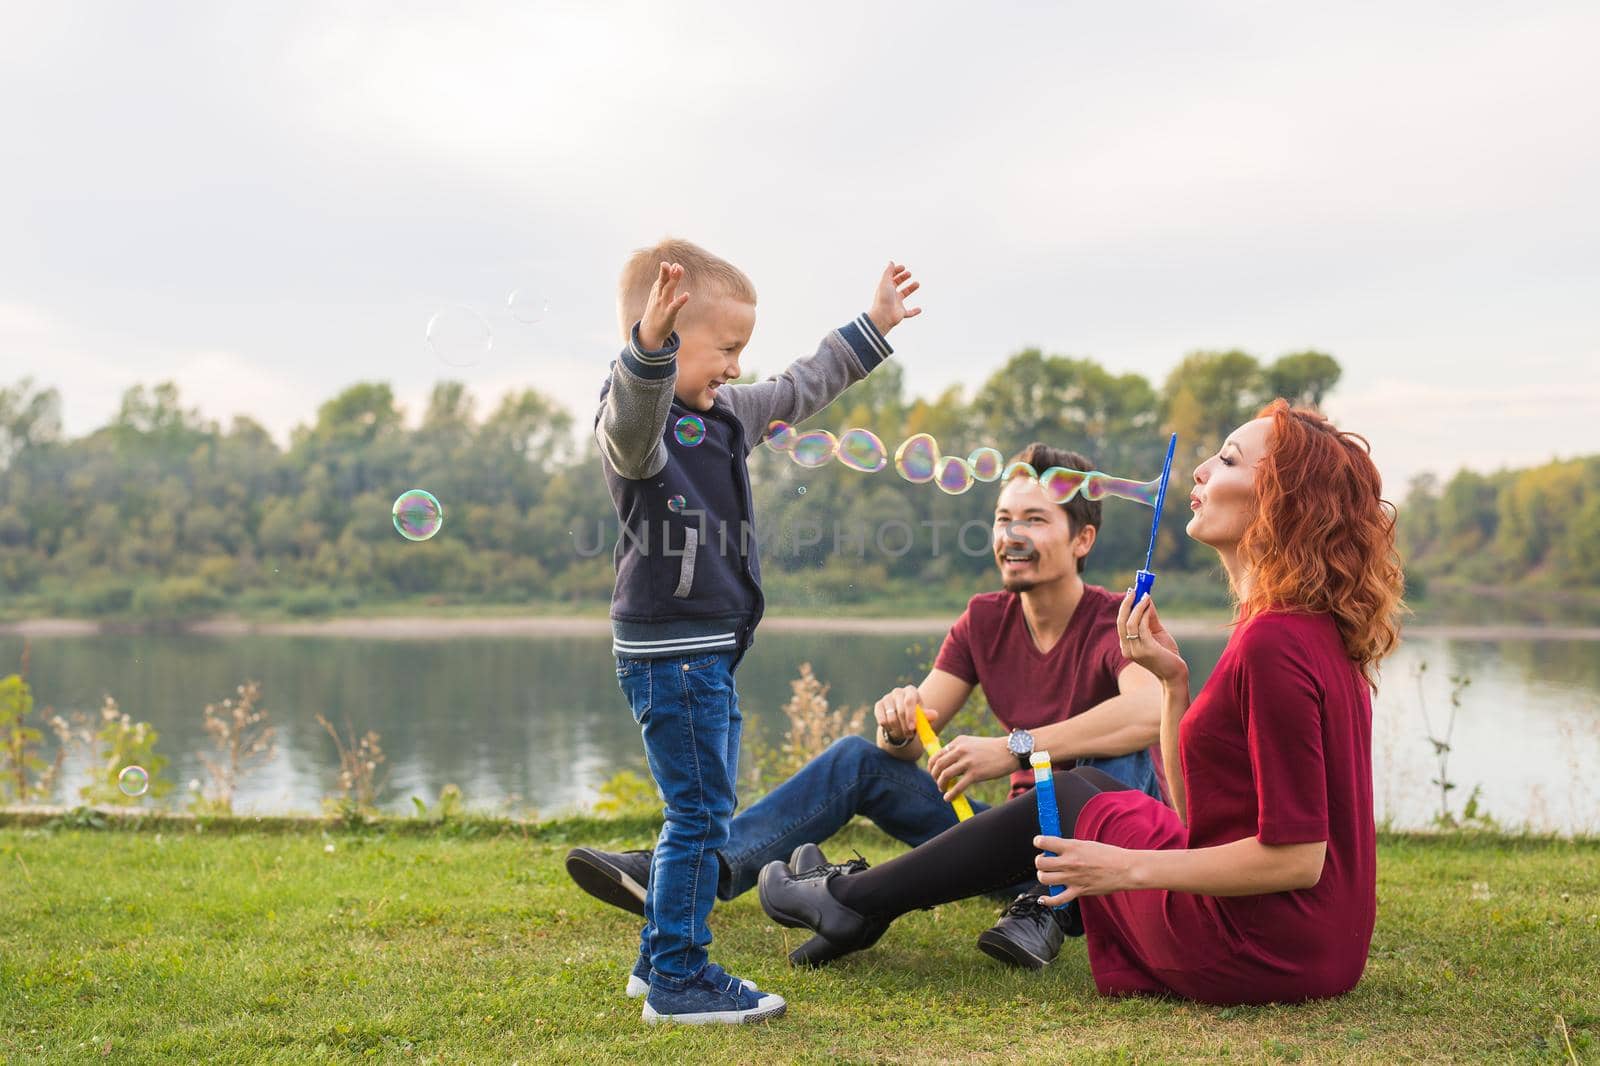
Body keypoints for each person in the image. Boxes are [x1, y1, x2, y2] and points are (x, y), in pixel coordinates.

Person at [758, 400, 1405, 1005]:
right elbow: (1198, 815)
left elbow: (1296, 857)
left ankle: (849, 899)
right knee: (1084, 789)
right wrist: (1175, 686)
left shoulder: (1273, 642)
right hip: (1311, 946)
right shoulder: (1303, 627)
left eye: (1230, 460)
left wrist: (1124, 869)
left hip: (1254, 946)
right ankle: (852, 902)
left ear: (1282, 502)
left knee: (1075, 795)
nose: (1202, 469)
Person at [568, 442, 1164, 974]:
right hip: (1007, 845)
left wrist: (1013, 746)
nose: (1011, 536)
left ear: (1082, 538)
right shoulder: (985, 619)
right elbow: (899, 750)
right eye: (1003, 519)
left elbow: (1149, 714)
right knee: (857, 758)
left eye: (1035, 520)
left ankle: (1044, 911)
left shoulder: (1117, 621)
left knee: (1124, 747)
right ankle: (695, 872)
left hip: (1105, 852)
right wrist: (899, 718)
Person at [594, 237, 921, 1024]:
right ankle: (679, 978)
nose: (738, 367)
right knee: (701, 816)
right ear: (667, 336)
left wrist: (872, 326)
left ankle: (654, 962)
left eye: (742, 350)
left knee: (701, 809)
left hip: (706, 654)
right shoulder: (637, 426)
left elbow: (799, 387)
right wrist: (648, 350)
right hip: (672, 656)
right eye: (726, 349)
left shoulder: (727, 414)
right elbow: (632, 418)